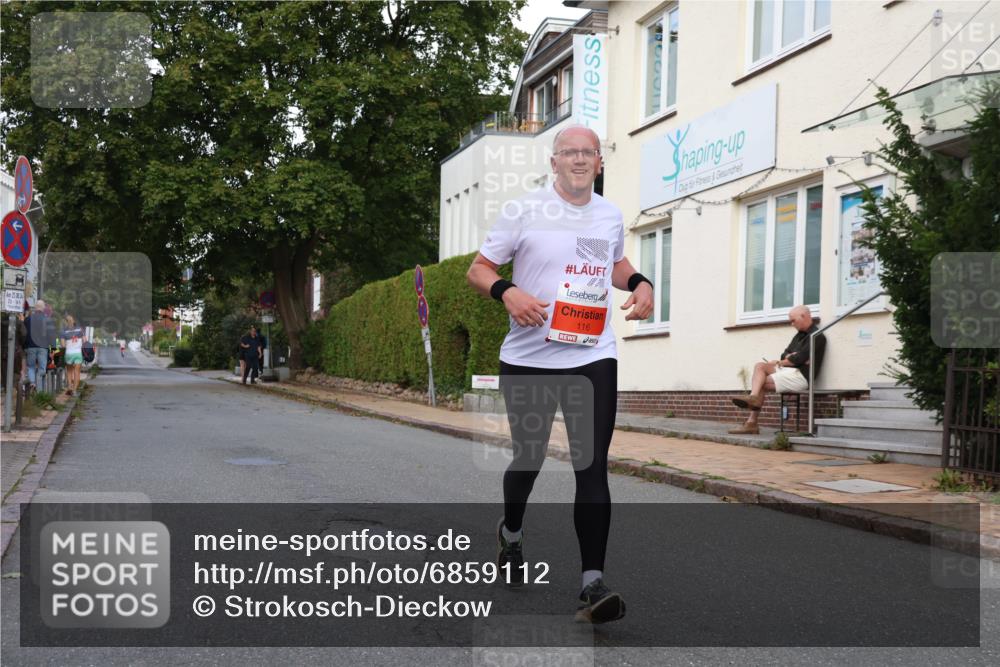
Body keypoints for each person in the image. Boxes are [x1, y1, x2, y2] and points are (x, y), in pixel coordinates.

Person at [466, 125, 653, 624]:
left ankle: (592, 583)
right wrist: (507, 291)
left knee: (590, 465)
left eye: (587, 152)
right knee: (527, 459)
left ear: (599, 162)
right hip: (528, 359)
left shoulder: (609, 214)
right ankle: (511, 531)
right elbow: (479, 268)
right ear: (554, 162)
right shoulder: (524, 210)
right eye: (568, 152)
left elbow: (613, 263)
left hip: (593, 353)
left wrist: (639, 282)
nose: (577, 159)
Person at [728, 305, 827, 434]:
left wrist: (790, 359)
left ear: (803, 316)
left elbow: (798, 359)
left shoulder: (817, 336)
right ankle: (753, 399)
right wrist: (790, 358)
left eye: (793, 320)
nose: (792, 324)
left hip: (802, 376)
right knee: (760, 366)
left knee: (761, 382)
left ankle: (752, 422)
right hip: (790, 371)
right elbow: (785, 354)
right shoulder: (798, 336)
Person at [23, 300, 53, 393]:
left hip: (30, 346)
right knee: (42, 368)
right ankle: (40, 391)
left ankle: (32, 383)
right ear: (43, 308)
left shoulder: (27, 319)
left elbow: (24, 333)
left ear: (35, 308)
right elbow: (50, 335)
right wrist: (52, 348)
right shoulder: (47, 320)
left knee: (31, 366)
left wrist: (24, 346)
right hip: (43, 347)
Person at [61, 313, 88, 396]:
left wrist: (69, 345)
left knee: (69, 372)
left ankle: (69, 386)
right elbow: (85, 341)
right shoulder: (80, 330)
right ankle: (75, 390)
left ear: (66, 322)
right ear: (74, 321)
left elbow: (63, 345)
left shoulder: (64, 331)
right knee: (77, 372)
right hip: (77, 353)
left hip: (69, 353)